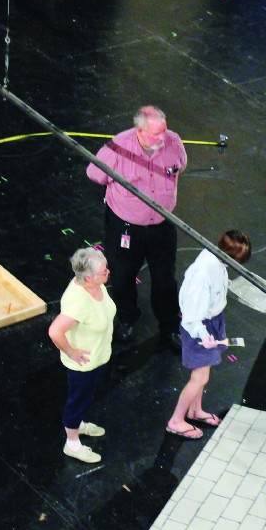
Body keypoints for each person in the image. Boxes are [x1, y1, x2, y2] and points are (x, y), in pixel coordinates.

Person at [86, 105, 187, 350]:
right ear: (139, 131)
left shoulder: (174, 143)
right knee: (122, 276)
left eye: (164, 131)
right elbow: (94, 173)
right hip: (125, 228)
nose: (162, 139)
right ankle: (126, 318)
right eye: (155, 134)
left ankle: (170, 325)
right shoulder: (117, 148)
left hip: (162, 226)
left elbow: (179, 166)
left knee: (165, 279)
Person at [165, 230, 252, 439]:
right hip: (200, 327)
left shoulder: (215, 258)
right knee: (199, 377)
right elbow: (192, 315)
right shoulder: (203, 274)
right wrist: (204, 336)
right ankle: (176, 420)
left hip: (212, 320)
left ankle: (195, 410)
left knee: (202, 374)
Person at [48, 248, 116, 464]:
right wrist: (71, 352)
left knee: (85, 398)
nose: (108, 273)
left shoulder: (96, 285)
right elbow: (54, 331)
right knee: (77, 401)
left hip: (98, 357)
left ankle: (77, 424)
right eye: (103, 272)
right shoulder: (78, 301)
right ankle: (72, 443)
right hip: (84, 365)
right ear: (88, 277)